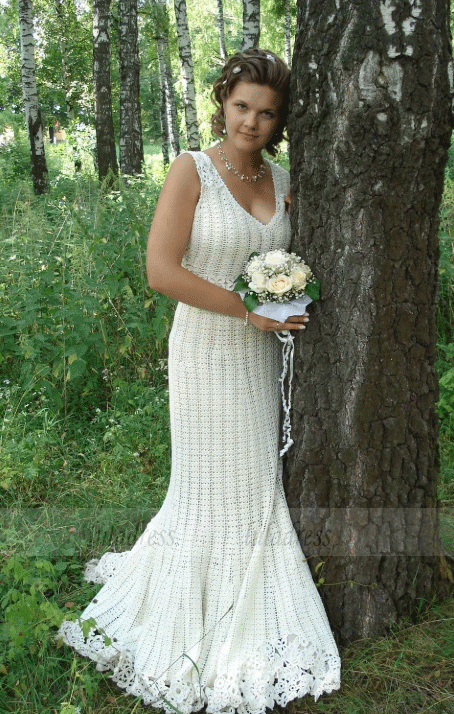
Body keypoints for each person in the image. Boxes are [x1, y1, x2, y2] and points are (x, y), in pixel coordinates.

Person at [57, 49, 341, 714]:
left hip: (262, 356)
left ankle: (246, 602)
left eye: (267, 113)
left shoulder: (283, 178)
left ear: (279, 122)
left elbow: (284, 256)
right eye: (242, 106)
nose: (252, 121)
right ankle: (197, 614)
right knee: (212, 487)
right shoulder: (192, 170)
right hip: (206, 352)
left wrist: (281, 296)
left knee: (256, 483)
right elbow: (161, 270)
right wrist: (249, 309)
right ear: (223, 102)